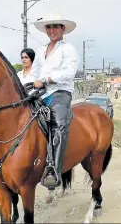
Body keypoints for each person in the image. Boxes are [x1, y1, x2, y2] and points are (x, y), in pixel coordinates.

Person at [32, 13, 80, 189]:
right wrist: (32, 83)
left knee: (59, 124)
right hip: (41, 92)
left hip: (60, 92)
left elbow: (69, 72)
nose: (52, 30)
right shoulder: (40, 51)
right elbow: (34, 72)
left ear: (62, 29)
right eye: (49, 27)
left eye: (55, 27)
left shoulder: (68, 49)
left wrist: (47, 79)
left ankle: (54, 170)